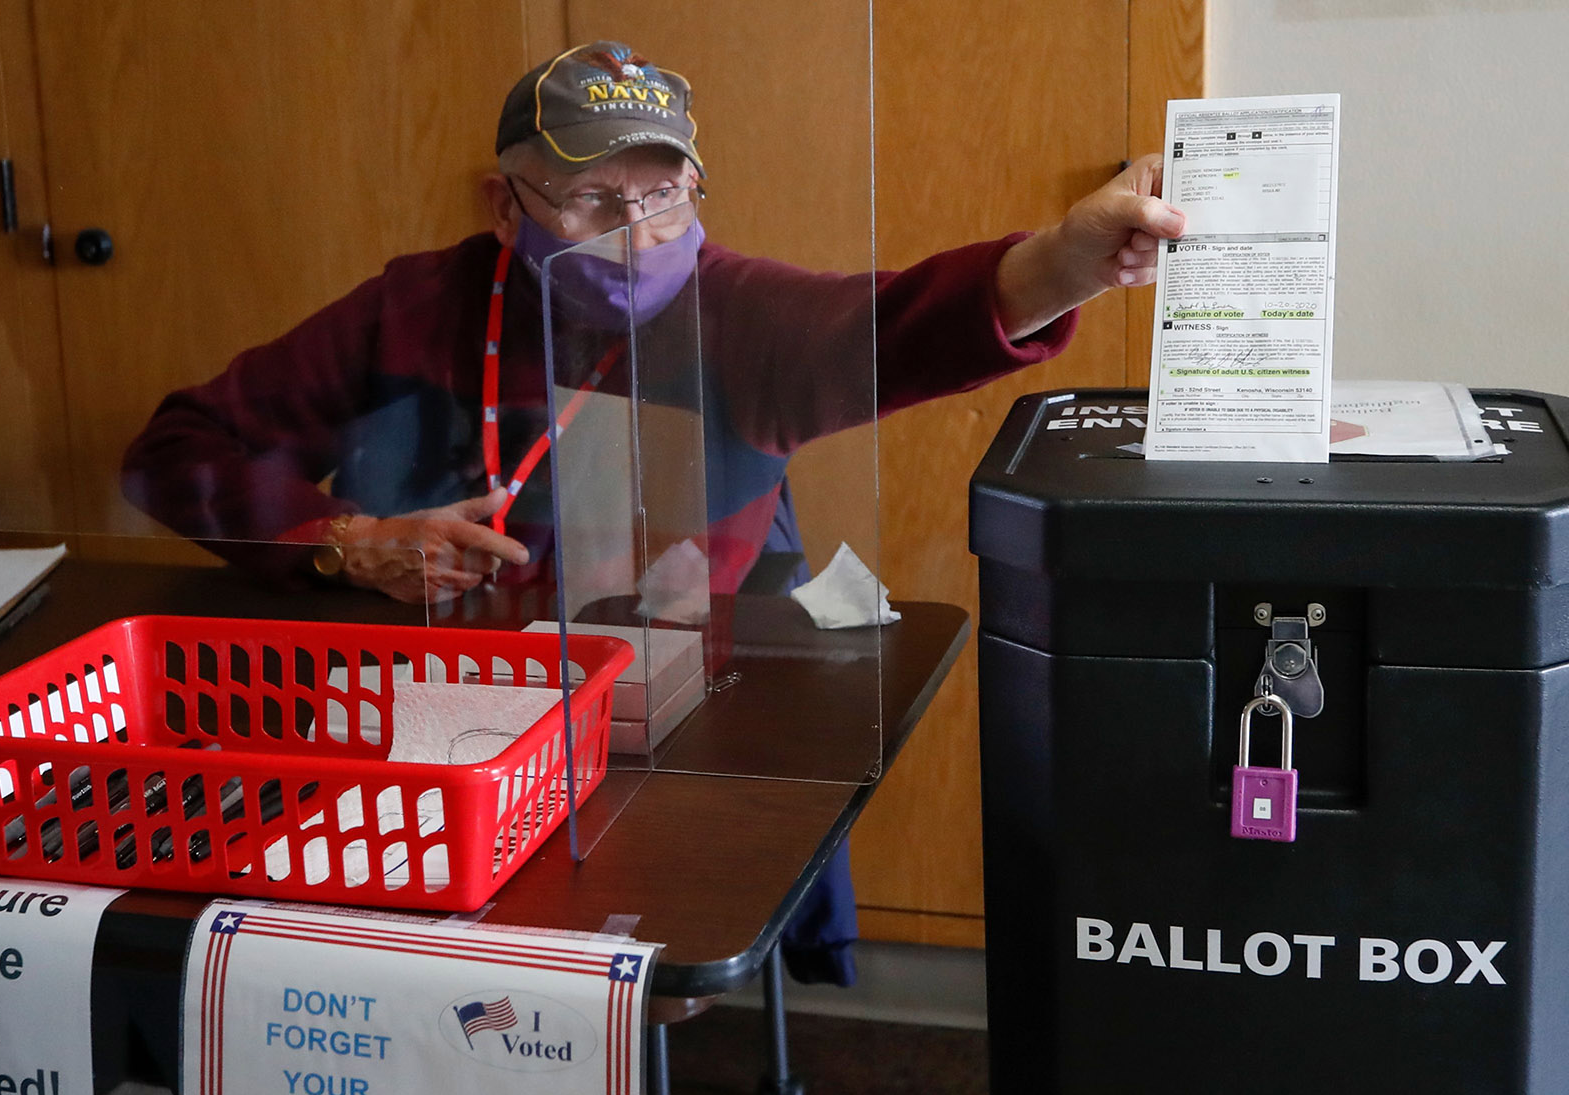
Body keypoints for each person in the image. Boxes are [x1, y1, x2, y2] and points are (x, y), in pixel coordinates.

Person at [121, 40, 1184, 981]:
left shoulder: (737, 311)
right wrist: (343, 544)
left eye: (662, 196)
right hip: (443, 701)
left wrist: (1062, 265)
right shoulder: (411, 306)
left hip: (659, 722)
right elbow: (178, 449)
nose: (634, 235)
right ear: (504, 206)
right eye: (590, 199)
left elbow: (899, 324)